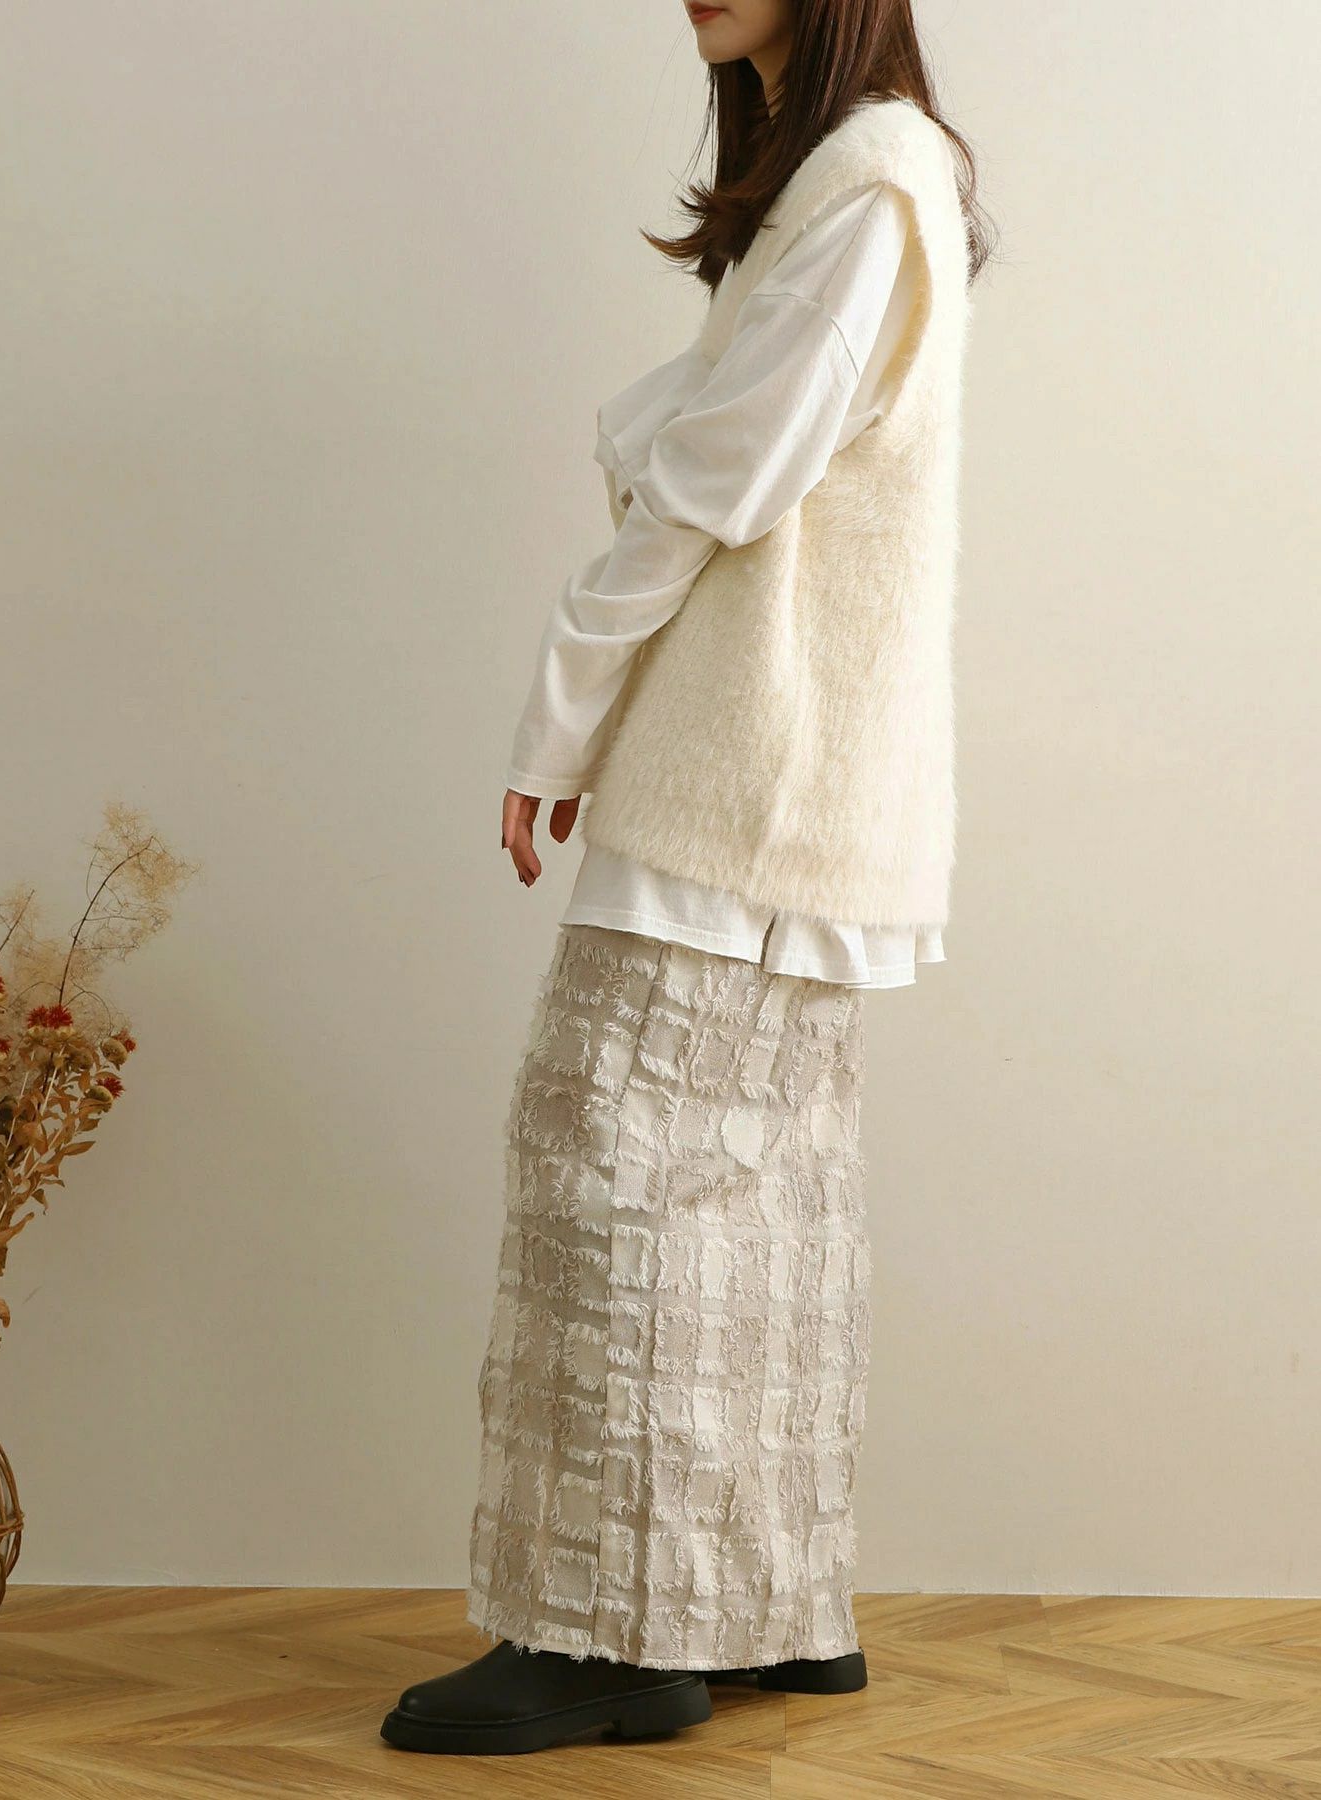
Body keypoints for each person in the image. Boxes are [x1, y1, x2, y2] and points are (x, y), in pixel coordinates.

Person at [381, 0, 991, 1757]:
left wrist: (558, 716)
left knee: (613, 1171)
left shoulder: (871, 178)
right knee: (753, 1199)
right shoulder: (856, 176)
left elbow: (713, 483)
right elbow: (733, 449)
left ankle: (605, 1640)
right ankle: (769, 1604)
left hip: (744, 780)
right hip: (793, 786)